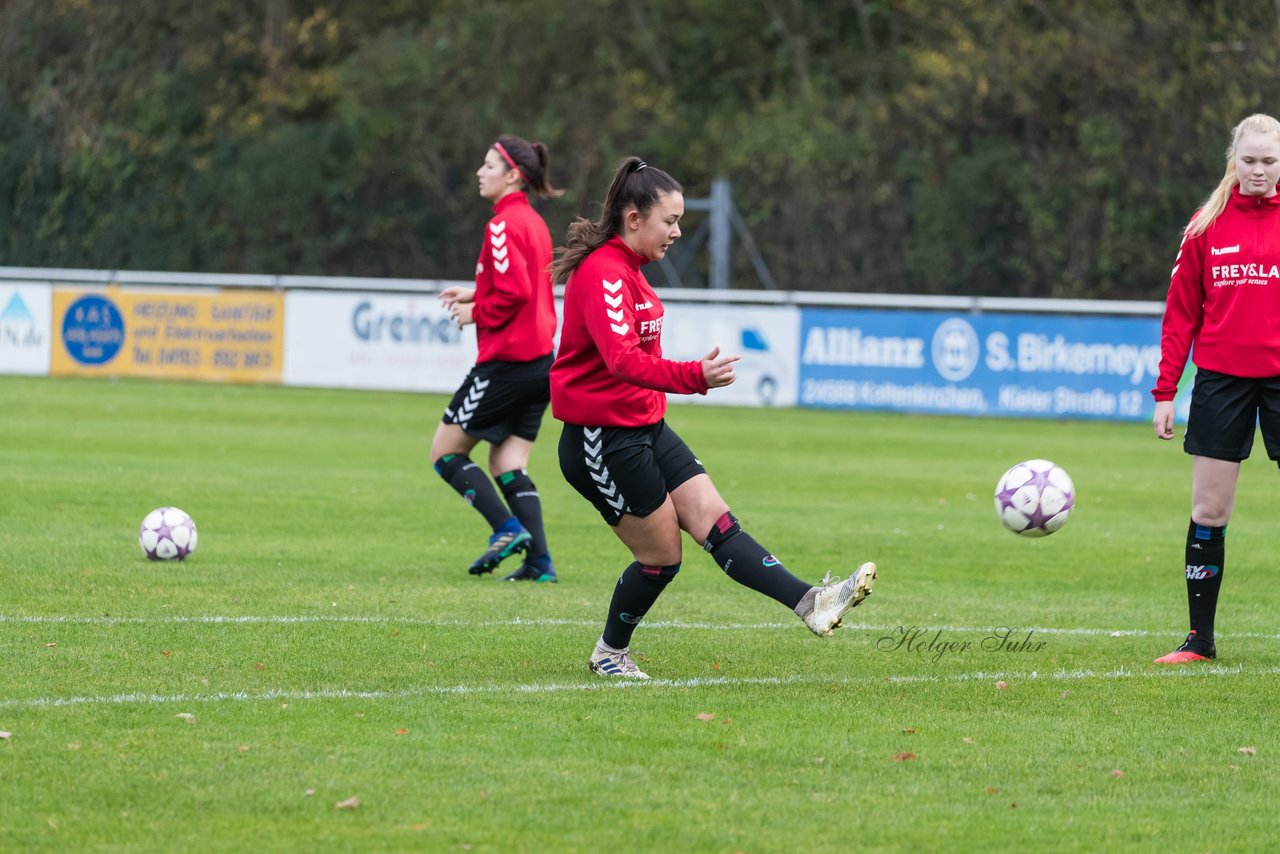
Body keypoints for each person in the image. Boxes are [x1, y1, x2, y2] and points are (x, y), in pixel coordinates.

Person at [548, 156, 879, 678]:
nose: (677, 232)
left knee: (717, 522)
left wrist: (685, 381)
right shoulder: (606, 274)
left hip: (644, 427)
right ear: (633, 217)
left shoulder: (629, 273)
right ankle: (609, 654)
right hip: (601, 441)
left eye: (680, 221)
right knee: (663, 557)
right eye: (670, 220)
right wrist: (694, 376)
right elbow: (621, 360)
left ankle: (812, 603)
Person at [1151, 113, 1280, 663]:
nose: (1258, 170)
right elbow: (1180, 315)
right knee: (1208, 509)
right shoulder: (1205, 225)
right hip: (1221, 382)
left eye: (1268, 161)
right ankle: (1199, 640)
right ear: (1234, 160)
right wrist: (1165, 392)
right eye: (1249, 160)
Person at [432, 135, 561, 583]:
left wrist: (475, 311)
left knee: (445, 453)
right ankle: (540, 562)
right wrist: (476, 292)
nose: (479, 172)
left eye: (489, 165)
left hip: (506, 363)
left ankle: (506, 529)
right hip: (540, 362)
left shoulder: (503, 225)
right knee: (508, 463)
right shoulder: (533, 223)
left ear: (513, 175)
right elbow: (524, 286)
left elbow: (515, 292)